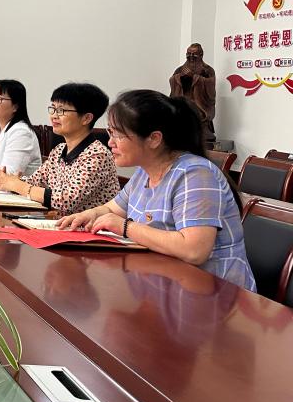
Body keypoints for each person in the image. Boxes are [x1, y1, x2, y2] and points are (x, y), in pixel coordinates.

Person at [60, 90, 256, 291]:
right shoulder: (144, 171)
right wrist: (89, 215)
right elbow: (112, 209)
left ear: (154, 139)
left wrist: (125, 227)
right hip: (165, 283)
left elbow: (194, 250)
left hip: (216, 294)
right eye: (110, 132)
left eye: (118, 134)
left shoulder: (195, 174)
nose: (110, 142)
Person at [0, 83, 119, 215]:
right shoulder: (59, 150)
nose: (54, 116)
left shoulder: (97, 155)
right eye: (53, 109)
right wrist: (6, 181)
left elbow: (65, 200)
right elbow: (35, 181)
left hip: (92, 226)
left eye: (61, 110)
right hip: (59, 222)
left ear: (86, 118)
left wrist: (18, 186)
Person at [168, 43, 216, 142]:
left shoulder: (207, 70)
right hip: (183, 99)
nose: (191, 56)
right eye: (188, 54)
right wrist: (179, 77)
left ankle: (200, 132)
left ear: (201, 54)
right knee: (177, 111)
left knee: (197, 112)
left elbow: (210, 85)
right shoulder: (180, 69)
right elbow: (172, 80)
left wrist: (194, 77)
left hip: (199, 102)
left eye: (194, 54)